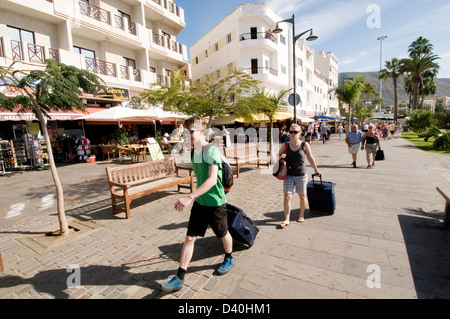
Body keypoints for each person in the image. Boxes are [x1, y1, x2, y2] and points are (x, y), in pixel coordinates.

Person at [160, 117, 234, 293]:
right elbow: (200, 177)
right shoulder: (194, 152)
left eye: (192, 131)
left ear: (201, 131)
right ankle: (179, 277)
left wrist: (189, 197)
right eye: (187, 132)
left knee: (223, 233)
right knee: (190, 237)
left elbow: (211, 179)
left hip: (215, 202)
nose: (189, 135)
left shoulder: (211, 150)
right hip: (200, 203)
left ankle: (229, 257)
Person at [278, 124, 321, 228]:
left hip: (301, 175)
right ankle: (286, 219)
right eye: (291, 132)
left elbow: (310, 158)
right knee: (287, 196)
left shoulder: (304, 145)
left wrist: (316, 169)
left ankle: (301, 215)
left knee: (302, 195)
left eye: (295, 132)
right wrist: (281, 157)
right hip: (289, 174)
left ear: (300, 133)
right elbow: (278, 156)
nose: (293, 134)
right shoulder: (285, 145)